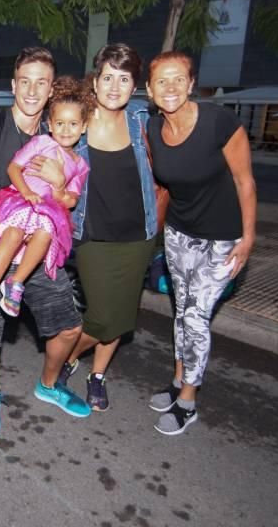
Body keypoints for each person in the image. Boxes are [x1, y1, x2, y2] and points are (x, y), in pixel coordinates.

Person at [0, 47, 91, 437]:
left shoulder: (60, 137)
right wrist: (14, 227)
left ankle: (49, 384)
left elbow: (69, 199)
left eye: (42, 82)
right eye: (25, 81)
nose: (32, 90)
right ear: (13, 85)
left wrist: (60, 182)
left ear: (51, 90)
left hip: (38, 242)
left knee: (68, 328)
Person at [145, 51, 256, 435]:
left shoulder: (218, 122)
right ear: (150, 89)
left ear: (191, 84)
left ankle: (188, 401)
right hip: (179, 233)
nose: (171, 87)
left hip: (223, 238)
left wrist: (248, 238)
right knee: (182, 311)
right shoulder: (153, 130)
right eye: (162, 80)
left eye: (179, 79)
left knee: (195, 317)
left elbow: (245, 182)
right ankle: (178, 381)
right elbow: (162, 186)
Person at [54, 43, 160, 412]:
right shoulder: (76, 119)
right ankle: (66, 361)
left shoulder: (142, 119)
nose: (115, 86)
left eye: (125, 79)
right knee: (102, 316)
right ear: (95, 80)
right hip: (93, 237)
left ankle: (96, 375)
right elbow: (38, 142)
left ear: (135, 85)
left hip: (139, 236)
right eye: (108, 77)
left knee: (122, 318)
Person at [0, 76, 89, 329]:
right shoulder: (42, 142)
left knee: (45, 233)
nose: (66, 130)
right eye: (60, 123)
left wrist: (57, 186)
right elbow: (14, 168)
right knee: (13, 233)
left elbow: (71, 200)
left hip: (47, 210)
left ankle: (16, 282)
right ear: (50, 125)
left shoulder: (80, 165)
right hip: (18, 200)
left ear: (84, 127)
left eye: (73, 124)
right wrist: (25, 192)